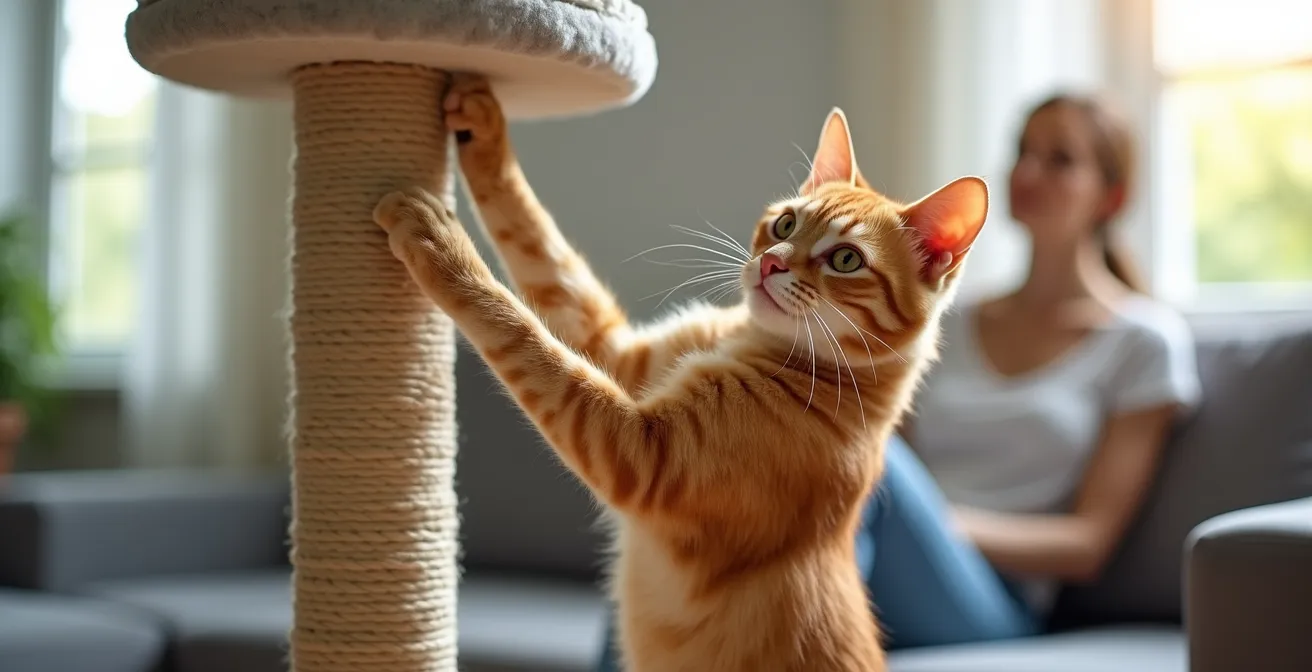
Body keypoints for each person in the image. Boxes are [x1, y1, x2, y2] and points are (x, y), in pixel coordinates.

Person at [595, 92, 1201, 668]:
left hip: (992, 600)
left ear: (1111, 197)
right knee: (684, 514)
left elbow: (1086, 545)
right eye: (1023, 149)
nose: (1029, 169)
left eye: (1060, 158)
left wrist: (931, 520)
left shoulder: (1143, 341)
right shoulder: (944, 326)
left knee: (862, 473)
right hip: (887, 547)